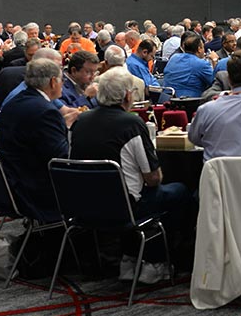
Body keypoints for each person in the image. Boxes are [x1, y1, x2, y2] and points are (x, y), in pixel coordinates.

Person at [70, 68, 191, 284]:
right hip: (125, 207)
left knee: (127, 191)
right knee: (180, 191)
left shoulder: (81, 121)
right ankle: (157, 260)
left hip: (83, 206)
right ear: (128, 95)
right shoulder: (131, 124)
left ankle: (130, 258)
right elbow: (153, 178)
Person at [0, 58, 70, 222]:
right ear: (52, 82)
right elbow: (61, 159)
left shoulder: (15, 101)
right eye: (61, 80)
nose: (63, 84)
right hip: (36, 189)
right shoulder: (46, 111)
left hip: (12, 181)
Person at [162, 33, 214, 98]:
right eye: (203, 47)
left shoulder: (174, 57)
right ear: (199, 49)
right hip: (188, 102)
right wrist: (214, 61)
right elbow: (215, 81)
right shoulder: (201, 63)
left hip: (166, 99)